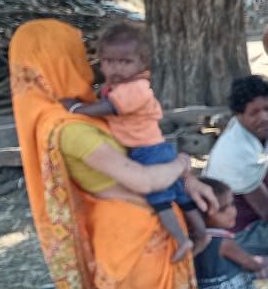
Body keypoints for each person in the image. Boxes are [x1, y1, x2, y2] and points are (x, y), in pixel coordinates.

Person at [11, 19, 215, 289]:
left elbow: (142, 143)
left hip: (142, 240)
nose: (89, 67)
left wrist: (187, 182)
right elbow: (142, 178)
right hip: (133, 248)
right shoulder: (68, 127)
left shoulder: (72, 115)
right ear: (53, 62)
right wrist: (182, 162)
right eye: (78, 57)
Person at [61, 22, 206, 261]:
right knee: (180, 194)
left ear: (142, 64)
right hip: (154, 147)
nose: (116, 68)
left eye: (125, 62)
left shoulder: (135, 88)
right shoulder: (118, 85)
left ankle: (183, 239)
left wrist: (77, 108)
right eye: (109, 61)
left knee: (160, 199)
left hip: (147, 151)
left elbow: (107, 107)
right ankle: (201, 232)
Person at [204, 75, 268, 255]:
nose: (264, 117)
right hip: (240, 236)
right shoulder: (235, 149)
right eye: (254, 112)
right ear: (239, 116)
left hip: (265, 221)